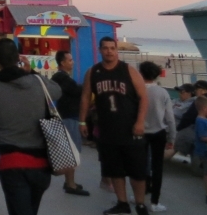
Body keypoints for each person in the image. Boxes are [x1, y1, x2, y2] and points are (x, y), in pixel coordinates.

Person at [0, 37, 61, 215]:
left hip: (10, 162)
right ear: (18, 58)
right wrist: (33, 72)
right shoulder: (37, 83)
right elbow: (57, 91)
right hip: (41, 162)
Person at [80, 36, 149, 215]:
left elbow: (143, 97)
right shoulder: (93, 72)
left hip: (130, 128)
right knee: (114, 170)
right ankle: (122, 203)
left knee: (137, 171)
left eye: (112, 48)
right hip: (107, 129)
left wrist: (140, 121)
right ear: (100, 50)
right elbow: (86, 96)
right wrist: (81, 120)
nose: (109, 51)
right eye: (105, 48)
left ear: (117, 50)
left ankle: (140, 204)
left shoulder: (128, 71)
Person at [51, 51, 89, 197]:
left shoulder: (62, 78)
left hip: (68, 116)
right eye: (70, 60)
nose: (72, 62)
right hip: (69, 117)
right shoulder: (62, 78)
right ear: (62, 63)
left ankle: (70, 181)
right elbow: (77, 90)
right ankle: (70, 184)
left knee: (71, 151)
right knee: (72, 152)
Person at [138, 61, 175, 213]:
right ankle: (155, 201)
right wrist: (172, 138)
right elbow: (170, 118)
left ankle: (139, 196)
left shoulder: (137, 91)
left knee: (139, 166)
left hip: (140, 132)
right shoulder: (162, 93)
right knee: (157, 167)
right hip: (158, 132)